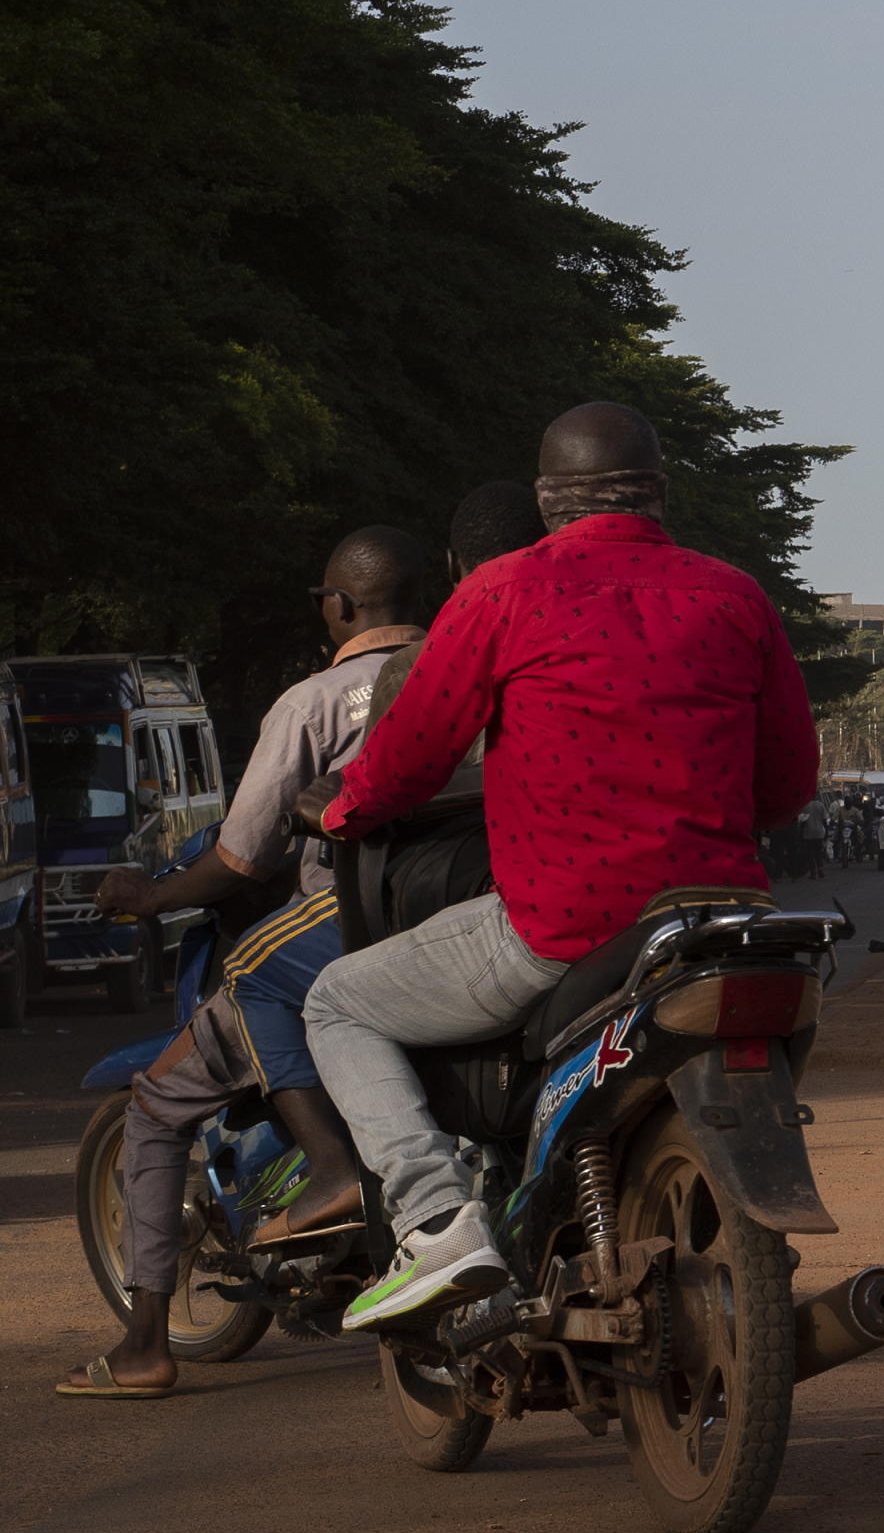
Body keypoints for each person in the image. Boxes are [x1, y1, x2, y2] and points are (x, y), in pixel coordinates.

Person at [306, 402, 818, 1330]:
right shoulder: (734, 595)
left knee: (336, 1000)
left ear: (549, 501)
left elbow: (415, 752)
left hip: (562, 924)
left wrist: (344, 805)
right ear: (659, 493)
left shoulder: (504, 592)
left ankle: (433, 1218)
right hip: (719, 922)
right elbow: (788, 778)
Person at [56, 525, 436, 1399]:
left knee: (157, 1105)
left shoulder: (311, 703)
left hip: (336, 932)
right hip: (458, 933)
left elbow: (239, 859)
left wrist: (145, 895)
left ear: (337, 607)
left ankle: (145, 1344)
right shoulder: (468, 680)